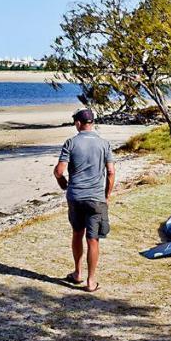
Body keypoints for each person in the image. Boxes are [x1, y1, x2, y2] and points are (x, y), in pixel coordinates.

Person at [53, 108, 115, 293]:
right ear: (92, 123)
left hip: (76, 197)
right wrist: (106, 195)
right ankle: (91, 281)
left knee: (77, 233)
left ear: (79, 123)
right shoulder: (104, 144)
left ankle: (78, 273)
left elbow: (58, 171)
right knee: (93, 240)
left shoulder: (71, 143)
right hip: (96, 198)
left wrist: (64, 184)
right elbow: (111, 172)